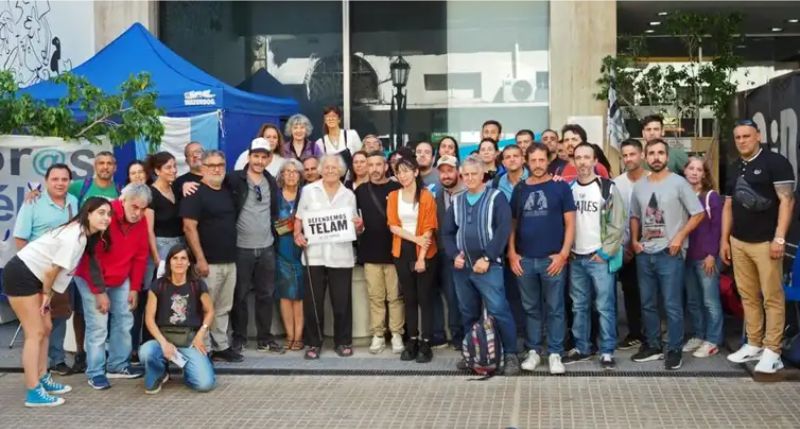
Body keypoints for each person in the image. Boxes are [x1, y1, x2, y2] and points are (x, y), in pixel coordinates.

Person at [2, 197, 111, 407]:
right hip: (22, 274)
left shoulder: (83, 234)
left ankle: (42, 376)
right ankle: (33, 391)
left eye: (108, 213)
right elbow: (53, 270)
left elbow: (55, 271)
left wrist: (47, 296)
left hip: (36, 276)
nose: (106, 218)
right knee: (35, 333)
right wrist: (47, 295)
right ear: (87, 213)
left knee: (47, 326)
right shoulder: (75, 237)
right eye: (100, 213)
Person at [723, 120, 795, 373]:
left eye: (746, 136)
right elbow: (728, 205)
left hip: (766, 243)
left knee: (772, 298)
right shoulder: (734, 167)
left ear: (758, 136)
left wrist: (779, 238)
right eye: (738, 137)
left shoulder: (776, 163)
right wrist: (725, 240)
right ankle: (753, 343)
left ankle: (773, 350)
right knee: (748, 296)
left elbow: (786, 201)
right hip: (739, 242)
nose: (742, 140)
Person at [630, 139, 703, 370]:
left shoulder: (679, 183)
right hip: (645, 253)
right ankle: (652, 345)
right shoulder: (640, 186)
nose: (656, 157)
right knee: (648, 303)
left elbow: (698, 214)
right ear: (645, 156)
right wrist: (634, 241)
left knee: (672, 305)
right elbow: (634, 215)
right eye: (651, 153)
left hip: (669, 254)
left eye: (660, 153)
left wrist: (680, 237)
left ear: (667, 156)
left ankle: (674, 349)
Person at [443, 155, 520, 376]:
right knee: (468, 312)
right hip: (463, 268)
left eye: (473, 174)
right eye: (465, 174)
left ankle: (511, 354)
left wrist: (487, 258)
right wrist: (453, 255)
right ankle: (473, 354)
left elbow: (503, 229)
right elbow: (447, 233)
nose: (469, 178)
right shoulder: (457, 201)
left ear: (482, 174)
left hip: (489, 266)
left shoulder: (497, 198)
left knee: (499, 310)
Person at [74, 184, 152, 389]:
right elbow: (90, 258)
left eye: (143, 209)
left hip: (120, 276)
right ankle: (95, 371)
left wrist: (135, 287)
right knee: (98, 325)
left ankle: (117, 365)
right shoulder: (105, 215)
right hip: (92, 277)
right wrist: (99, 292)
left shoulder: (141, 221)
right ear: (123, 200)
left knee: (125, 319)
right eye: (135, 207)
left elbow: (140, 256)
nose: (139, 213)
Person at [508, 143, 575, 375]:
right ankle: (534, 351)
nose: (537, 165)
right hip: (525, 260)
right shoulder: (520, 190)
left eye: (541, 160)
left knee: (555, 308)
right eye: (533, 160)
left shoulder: (561, 188)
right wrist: (512, 253)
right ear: (527, 161)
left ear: (548, 161)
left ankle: (555, 353)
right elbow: (513, 224)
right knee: (530, 308)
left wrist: (564, 254)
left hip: (552, 260)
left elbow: (570, 223)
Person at [293, 155, 362, 360]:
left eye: (335, 167)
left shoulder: (349, 195)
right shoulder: (308, 191)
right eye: (327, 167)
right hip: (314, 255)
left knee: (342, 303)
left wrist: (359, 227)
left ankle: (343, 341)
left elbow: (355, 227)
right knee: (313, 303)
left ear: (341, 171)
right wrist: (297, 234)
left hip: (341, 256)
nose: (331, 170)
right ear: (321, 170)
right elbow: (299, 218)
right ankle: (313, 344)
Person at [13, 164, 79, 377]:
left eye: (64, 179)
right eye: (55, 179)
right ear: (46, 180)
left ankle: (56, 360)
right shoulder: (33, 202)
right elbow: (20, 238)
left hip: (59, 272)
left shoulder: (73, 202)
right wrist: (32, 270)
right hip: (34, 273)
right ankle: (37, 372)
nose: (60, 183)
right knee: (37, 326)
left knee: (58, 316)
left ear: (70, 181)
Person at [564, 143, 625, 370]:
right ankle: (582, 347)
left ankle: (607, 350)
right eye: (578, 158)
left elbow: (617, 223)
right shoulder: (569, 188)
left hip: (598, 257)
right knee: (579, 305)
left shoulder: (607, 187)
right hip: (576, 258)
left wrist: (604, 252)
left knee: (604, 305)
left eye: (586, 157)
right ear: (573, 162)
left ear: (594, 161)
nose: (582, 162)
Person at [180, 150, 243, 363]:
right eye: (211, 165)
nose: (216, 169)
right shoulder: (195, 193)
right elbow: (189, 227)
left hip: (229, 260)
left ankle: (221, 346)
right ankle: (203, 347)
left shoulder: (227, 190)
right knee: (205, 306)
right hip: (208, 263)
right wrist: (200, 259)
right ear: (202, 167)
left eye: (220, 165)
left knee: (223, 307)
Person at [228, 138, 282, 354]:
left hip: (267, 246)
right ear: (249, 156)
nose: (259, 161)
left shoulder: (271, 181)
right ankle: (239, 337)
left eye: (264, 157)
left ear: (269, 159)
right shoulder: (234, 179)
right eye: (256, 156)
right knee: (239, 295)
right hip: (242, 247)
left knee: (266, 294)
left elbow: (273, 212)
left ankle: (264, 338)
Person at [140, 245, 215, 394]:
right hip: (164, 338)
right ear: (169, 262)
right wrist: (163, 343)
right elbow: (149, 318)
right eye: (175, 258)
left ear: (189, 263)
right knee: (146, 352)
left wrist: (201, 334)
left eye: (183, 258)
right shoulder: (158, 285)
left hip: (189, 340)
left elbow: (210, 311)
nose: (179, 262)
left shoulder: (197, 285)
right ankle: (160, 372)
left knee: (204, 384)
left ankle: (188, 371)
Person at [132, 152, 182, 360]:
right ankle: (143, 347)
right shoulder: (151, 195)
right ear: (157, 171)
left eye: (174, 167)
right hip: (159, 249)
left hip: (178, 247)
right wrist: (156, 258)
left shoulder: (175, 189)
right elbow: (149, 230)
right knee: (150, 298)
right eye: (168, 167)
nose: (173, 171)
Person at [387, 157, 438, 363]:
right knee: (409, 298)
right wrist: (414, 239)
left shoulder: (426, 196)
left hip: (425, 250)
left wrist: (421, 258)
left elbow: (429, 229)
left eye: (407, 170)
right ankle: (412, 339)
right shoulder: (393, 196)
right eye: (399, 172)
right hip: (402, 250)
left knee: (425, 298)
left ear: (416, 172)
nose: (403, 175)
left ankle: (426, 341)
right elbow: (393, 225)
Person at [355, 151, 404, 354]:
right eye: (370, 165)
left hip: (394, 252)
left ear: (386, 166)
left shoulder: (397, 188)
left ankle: (397, 334)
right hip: (370, 252)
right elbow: (355, 222)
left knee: (395, 297)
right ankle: (377, 334)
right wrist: (357, 227)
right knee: (375, 297)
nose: (374, 169)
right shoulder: (360, 191)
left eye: (378, 164)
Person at [682, 157, 723, 358]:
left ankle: (713, 339)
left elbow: (717, 228)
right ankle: (699, 335)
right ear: (685, 171)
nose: (695, 172)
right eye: (691, 168)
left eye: (699, 169)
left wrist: (712, 255)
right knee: (693, 300)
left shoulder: (710, 196)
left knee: (710, 301)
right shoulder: (681, 194)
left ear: (704, 174)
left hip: (705, 258)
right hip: (687, 257)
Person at [612, 139, 648, 350]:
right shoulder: (617, 183)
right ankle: (635, 333)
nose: (628, 159)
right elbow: (615, 218)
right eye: (625, 155)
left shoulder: (654, 180)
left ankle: (653, 334)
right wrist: (624, 246)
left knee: (653, 293)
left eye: (632, 154)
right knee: (630, 290)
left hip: (653, 246)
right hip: (626, 248)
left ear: (641, 155)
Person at [490, 144, 529, 335]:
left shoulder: (536, 178)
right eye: (507, 157)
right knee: (511, 292)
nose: (512, 159)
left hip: (531, 244)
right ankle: (518, 332)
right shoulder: (496, 183)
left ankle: (536, 336)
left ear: (523, 159)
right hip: (505, 245)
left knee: (533, 294)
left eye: (516, 156)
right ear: (502, 161)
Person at [433, 155, 466, 350]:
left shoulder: (467, 192)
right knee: (444, 294)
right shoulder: (436, 194)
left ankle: (462, 333)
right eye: (442, 171)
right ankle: (448, 334)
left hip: (462, 252)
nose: (446, 175)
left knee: (459, 295)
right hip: (441, 251)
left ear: (458, 171)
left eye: (449, 170)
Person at [274, 159, 306, 351]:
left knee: (300, 296)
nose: (292, 175)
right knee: (285, 296)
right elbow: (271, 223)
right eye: (288, 171)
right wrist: (291, 225)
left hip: (302, 250)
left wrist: (296, 226)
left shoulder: (306, 194)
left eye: (295, 172)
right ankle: (289, 335)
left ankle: (299, 336)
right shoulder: (275, 197)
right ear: (282, 175)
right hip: (281, 250)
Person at [315, 106, 362, 176]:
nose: (331, 119)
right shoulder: (320, 143)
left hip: (352, 177)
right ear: (324, 120)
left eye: (334, 116)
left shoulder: (352, 134)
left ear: (339, 119)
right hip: (331, 178)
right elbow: (320, 167)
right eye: (327, 117)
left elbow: (360, 156)